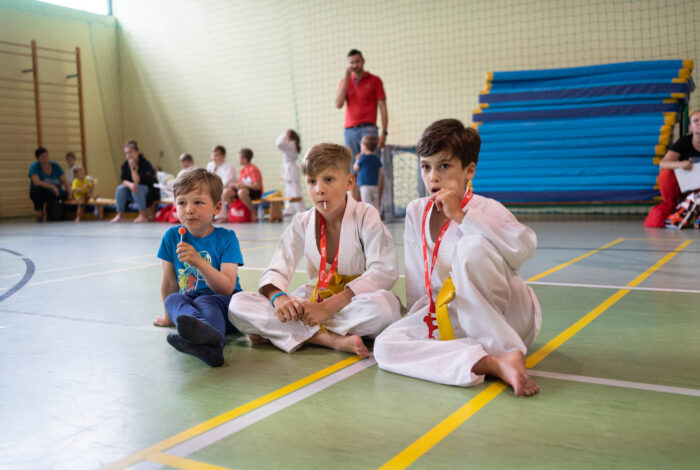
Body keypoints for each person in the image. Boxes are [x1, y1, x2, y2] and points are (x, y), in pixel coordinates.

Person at [373, 119, 542, 397]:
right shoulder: (417, 211)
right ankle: (491, 363)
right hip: (456, 312)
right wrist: (420, 322)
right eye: (426, 167)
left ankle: (506, 349)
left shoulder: (487, 208)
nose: (433, 177)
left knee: (470, 247)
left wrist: (463, 217)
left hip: (508, 315)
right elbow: (419, 280)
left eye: (444, 166)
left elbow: (524, 248)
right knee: (385, 346)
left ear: (469, 170)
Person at [229, 143, 401, 357]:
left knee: (385, 309)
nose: (319, 189)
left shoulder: (366, 215)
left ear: (349, 182)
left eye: (328, 179)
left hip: (354, 302)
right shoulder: (301, 222)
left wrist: (326, 308)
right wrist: (279, 298)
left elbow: (383, 271)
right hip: (315, 299)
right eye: (312, 181)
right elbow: (278, 268)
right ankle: (329, 339)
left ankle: (283, 331)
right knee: (238, 304)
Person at [154, 168, 244, 367]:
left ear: (217, 207)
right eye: (182, 203)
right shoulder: (172, 236)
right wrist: (168, 317)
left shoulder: (227, 238)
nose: (189, 209)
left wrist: (200, 262)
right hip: (191, 302)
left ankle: (212, 342)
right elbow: (169, 283)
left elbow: (227, 288)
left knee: (205, 300)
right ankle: (201, 339)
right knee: (173, 299)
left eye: (198, 202)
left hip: (225, 305)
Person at [335, 49, 388, 201]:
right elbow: (338, 104)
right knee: (352, 168)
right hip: (349, 131)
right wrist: (346, 79)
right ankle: (357, 206)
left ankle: (377, 206)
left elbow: (383, 107)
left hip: (369, 129)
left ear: (363, 61)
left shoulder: (375, 81)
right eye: (352, 62)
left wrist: (384, 132)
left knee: (373, 167)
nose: (355, 65)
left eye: (357, 61)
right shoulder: (345, 82)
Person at [644, 110, 700, 227]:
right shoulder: (684, 142)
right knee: (666, 174)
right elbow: (663, 164)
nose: (699, 123)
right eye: (696, 121)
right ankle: (673, 208)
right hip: (685, 189)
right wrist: (680, 164)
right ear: (690, 127)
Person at [110, 140, 160, 223]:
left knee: (137, 188)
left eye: (130, 152)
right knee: (120, 189)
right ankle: (120, 215)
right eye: (126, 153)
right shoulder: (125, 164)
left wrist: (133, 169)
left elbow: (137, 181)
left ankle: (143, 215)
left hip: (148, 193)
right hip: (134, 191)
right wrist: (130, 185)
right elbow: (123, 180)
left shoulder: (145, 164)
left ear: (137, 152)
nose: (128, 155)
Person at [28, 147, 72, 222]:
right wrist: (51, 187)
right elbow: (36, 182)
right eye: (42, 157)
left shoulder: (55, 165)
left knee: (68, 194)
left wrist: (70, 193)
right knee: (36, 190)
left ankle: (62, 213)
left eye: (46, 156)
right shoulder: (34, 166)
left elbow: (65, 181)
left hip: (56, 192)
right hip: (43, 192)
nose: (45, 158)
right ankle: (40, 215)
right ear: (37, 159)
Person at [276, 130, 305, 215]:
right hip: (289, 169)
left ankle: (300, 209)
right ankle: (290, 209)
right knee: (289, 190)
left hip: (291, 169)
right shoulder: (292, 144)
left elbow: (278, 144)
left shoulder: (291, 144)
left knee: (294, 190)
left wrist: (284, 135)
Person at [230, 148, 263, 222]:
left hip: (255, 192)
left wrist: (243, 186)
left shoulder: (253, 169)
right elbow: (240, 182)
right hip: (245, 190)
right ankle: (233, 211)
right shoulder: (243, 170)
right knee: (227, 193)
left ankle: (253, 212)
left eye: (238, 158)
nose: (237, 160)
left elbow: (257, 186)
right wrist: (235, 185)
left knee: (241, 192)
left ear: (244, 160)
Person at [353, 135, 383, 212]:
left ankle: (367, 217)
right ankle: (376, 216)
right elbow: (380, 172)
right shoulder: (376, 159)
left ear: (365, 147)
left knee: (366, 204)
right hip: (375, 186)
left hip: (365, 186)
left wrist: (357, 159)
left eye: (361, 146)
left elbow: (355, 168)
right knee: (375, 203)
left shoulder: (362, 158)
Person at [206, 145, 236, 222]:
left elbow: (228, 181)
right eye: (213, 155)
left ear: (223, 156)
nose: (214, 157)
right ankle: (209, 216)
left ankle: (223, 217)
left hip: (228, 188)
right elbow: (206, 179)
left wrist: (216, 187)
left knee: (219, 192)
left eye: (216, 155)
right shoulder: (210, 165)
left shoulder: (229, 166)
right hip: (213, 187)